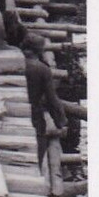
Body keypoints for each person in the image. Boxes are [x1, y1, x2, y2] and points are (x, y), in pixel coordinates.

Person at [22, 33, 68, 164]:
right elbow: (51, 98)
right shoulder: (42, 69)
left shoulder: (15, 61)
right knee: (39, 146)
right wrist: (60, 121)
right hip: (33, 114)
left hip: (12, 110)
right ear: (40, 50)